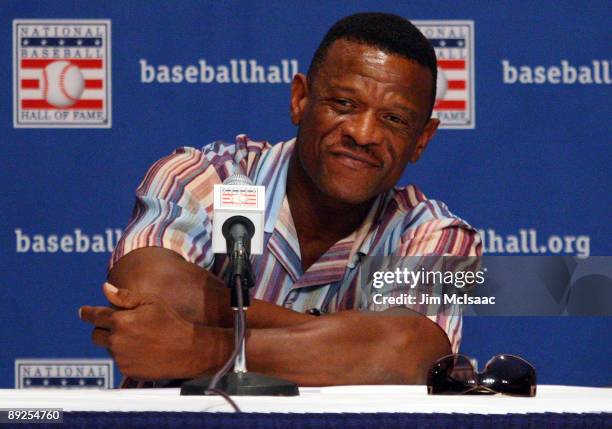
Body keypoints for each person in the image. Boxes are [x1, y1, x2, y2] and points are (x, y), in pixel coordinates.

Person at [80, 12, 481, 387]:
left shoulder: (435, 234)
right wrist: (344, 343)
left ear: (421, 140)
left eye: (393, 119)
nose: (363, 133)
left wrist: (201, 349)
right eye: (344, 104)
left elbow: (405, 354)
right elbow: (147, 288)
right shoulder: (209, 176)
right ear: (300, 99)